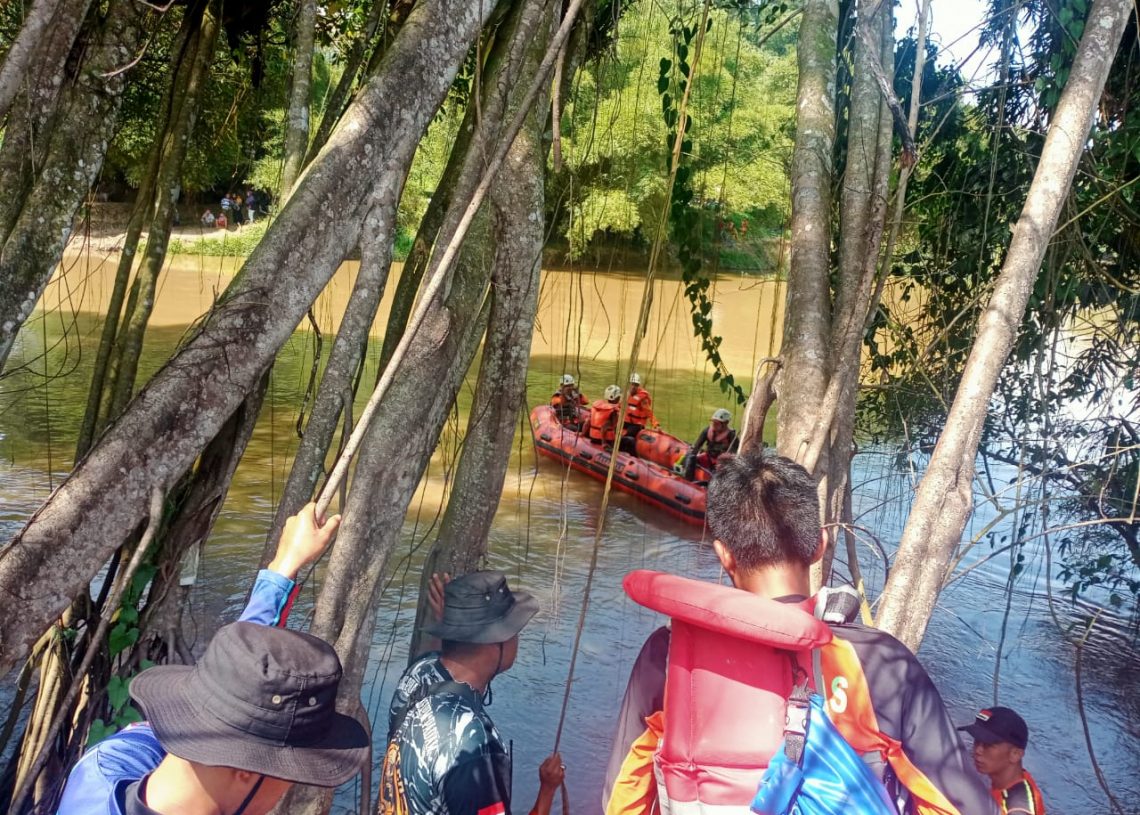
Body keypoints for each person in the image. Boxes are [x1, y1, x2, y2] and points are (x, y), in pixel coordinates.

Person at [604, 451, 996, 815]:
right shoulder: (881, 662)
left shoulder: (667, 655)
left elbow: (623, 800)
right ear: (819, 546)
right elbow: (962, 807)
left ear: (724, 555)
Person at [58, 505, 369, 815]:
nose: (284, 792)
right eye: (292, 776)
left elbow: (230, 689)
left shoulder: (105, 766)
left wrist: (283, 567)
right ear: (246, 771)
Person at [378, 571, 565, 815]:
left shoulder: (417, 676)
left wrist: (454, 624)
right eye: (514, 630)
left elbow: (441, 658)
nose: (517, 639)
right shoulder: (475, 746)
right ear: (493, 642)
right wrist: (547, 791)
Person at [959, 707, 1046, 814]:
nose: (977, 750)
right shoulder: (1006, 783)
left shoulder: (1018, 806)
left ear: (1015, 754)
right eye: (977, 741)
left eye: (988, 745)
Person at [682, 408, 738, 480]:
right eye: (713, 422)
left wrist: (726, 459)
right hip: (708, 457)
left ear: (725, 423)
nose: (714, 424)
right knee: (691, 457)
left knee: (722, 469)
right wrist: (690, 456)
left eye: (717, 423)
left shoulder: (731, 436)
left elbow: (735, 454)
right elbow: (697, 446)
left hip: (720, 462)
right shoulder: (707, 430)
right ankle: (687, 480)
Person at [624, 373, 658, 438]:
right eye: (632, 384)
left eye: (636, 385)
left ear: (638, 386)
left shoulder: (643, 398)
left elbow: (648, 412)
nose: (633, 387)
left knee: (627, 434)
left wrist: (656, 425)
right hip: (627, 422)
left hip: (637, 425)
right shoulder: (627, 394)